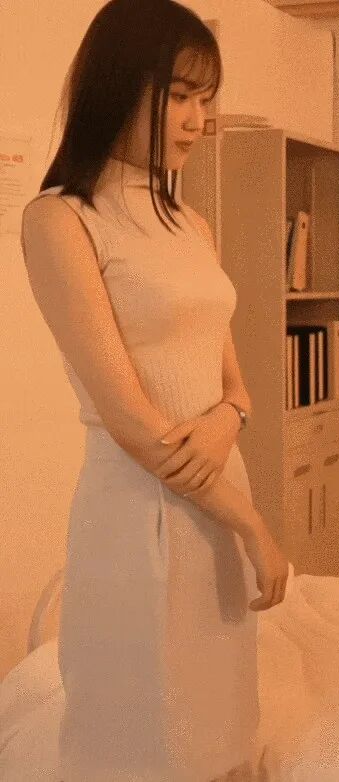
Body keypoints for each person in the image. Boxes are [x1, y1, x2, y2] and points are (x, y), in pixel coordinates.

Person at [19, 1, 289, 780]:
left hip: (217, 483)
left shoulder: (191, 225)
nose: (199, 119)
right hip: (140, 504)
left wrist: (231, 419)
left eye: (207, 98)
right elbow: (133, 423)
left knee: (220, 701)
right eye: (180, 96)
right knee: (143, 720)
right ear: (120, 85)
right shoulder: (60, 221)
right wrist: (253, 526)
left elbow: (232, 377)